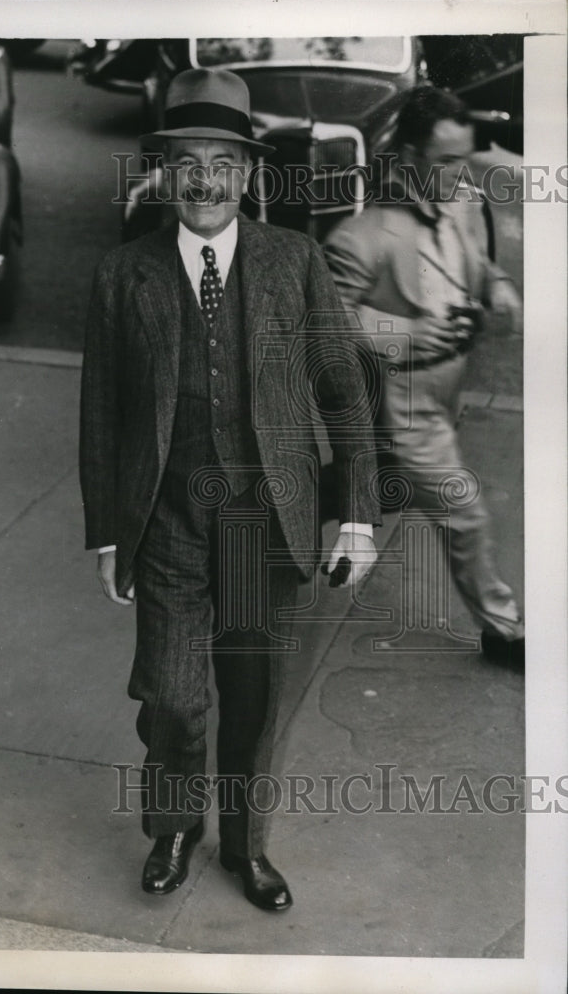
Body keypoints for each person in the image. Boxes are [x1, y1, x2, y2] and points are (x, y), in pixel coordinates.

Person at [79, 68, 380, 912]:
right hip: (166, 521)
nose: (204, 179)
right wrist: (106, 531)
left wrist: (356, 511)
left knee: (249, 699)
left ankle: (245, 850)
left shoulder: (294, 260)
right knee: (173, 697)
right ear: (166, 176)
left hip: (261, 523)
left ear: (247, 175)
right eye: (187, 162)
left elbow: (343, 386)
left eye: (221, 161)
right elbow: (100, 410)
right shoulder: (123, 274)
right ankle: (176, 826)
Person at [324, 84, 525, 669]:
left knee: (365, 484)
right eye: (446, 161)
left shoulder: (460, 199)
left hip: (450, 390)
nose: (462, 174)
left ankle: (282, 514)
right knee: (464, 510)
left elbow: (479, 266)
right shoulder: (363, 235)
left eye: (466, 158)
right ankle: (503, 630)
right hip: (407, 402)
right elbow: (325, 321)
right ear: (410, 156)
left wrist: (499, 295)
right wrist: (404, 333)